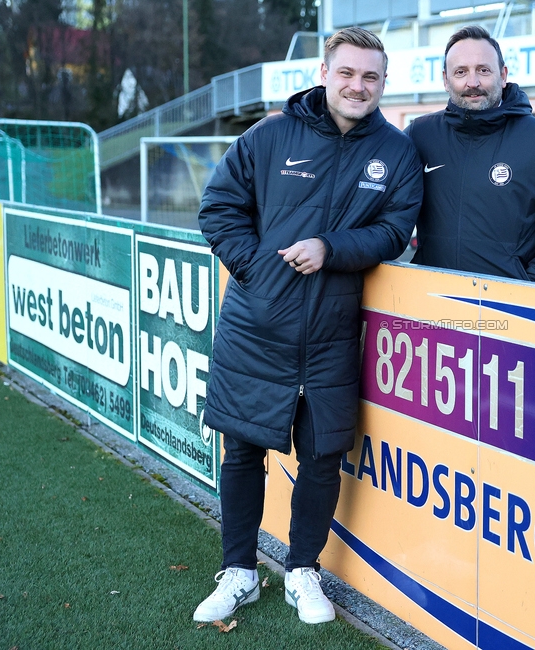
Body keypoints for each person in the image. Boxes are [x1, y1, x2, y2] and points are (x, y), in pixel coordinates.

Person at [194, 27, 422, 625]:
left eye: (370, 77)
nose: (357, 86)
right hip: (255, 327)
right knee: (242, 450)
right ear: (324, 74)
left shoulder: (397, 153)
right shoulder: (270, 135)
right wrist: (257, 271)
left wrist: (331, 247)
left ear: (383, 83)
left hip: (332, 335)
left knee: (322, 457)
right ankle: (239, 571)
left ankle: (302, 571)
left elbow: (394, 231)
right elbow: (218, 207)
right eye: (346, 72)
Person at [405, 25, 535, 285]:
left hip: (508, 304)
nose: (473, 82)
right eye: (461, 72)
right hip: (433, 298)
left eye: (484, 70)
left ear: (503, 75)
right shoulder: (420, 135)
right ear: (446, 80)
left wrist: (533, 286)